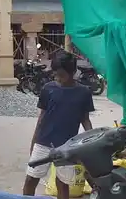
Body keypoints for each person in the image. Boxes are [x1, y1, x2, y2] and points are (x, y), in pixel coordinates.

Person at [23, 51, 95, 199]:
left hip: (67, 146)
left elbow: (85, 119)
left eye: (62, 75)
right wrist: (33, 142)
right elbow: (42, 117)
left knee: (62, 184)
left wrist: (92, 141)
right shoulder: (48, 89)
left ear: (73, 72)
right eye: (55, 75)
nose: (58, 79)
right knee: (31, 179)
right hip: (43, 142)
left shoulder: (84, 92)